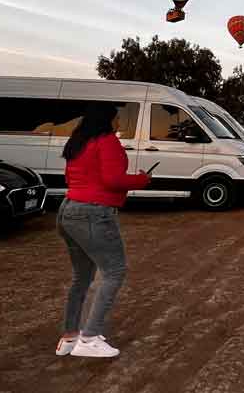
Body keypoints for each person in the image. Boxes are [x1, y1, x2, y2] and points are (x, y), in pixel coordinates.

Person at [54, 102, 149, 358]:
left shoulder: (78, 141)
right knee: (114, 271)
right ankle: (90, 337)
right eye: (116, 118)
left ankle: (70, 337)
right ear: (106, 119)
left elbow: (70, 178)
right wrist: (141, 179)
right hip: (93, 213)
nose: (118, 123)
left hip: (68, 210)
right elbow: (113, 180)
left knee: (81, 277)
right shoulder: (106, 141)